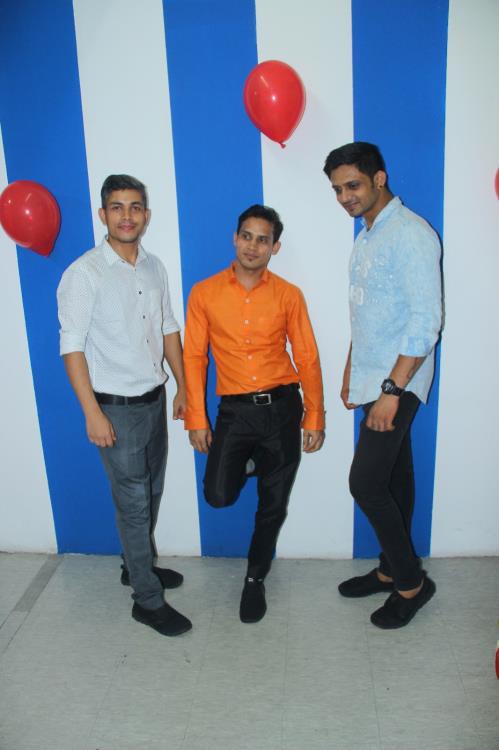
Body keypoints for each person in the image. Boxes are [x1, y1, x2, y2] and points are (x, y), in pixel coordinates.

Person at [57, 174, 191, 637]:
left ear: (146, 215)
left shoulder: (154, 267)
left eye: (135, 207)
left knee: (150, 493)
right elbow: (72, 347)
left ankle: (135, 566)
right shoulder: (84, 274)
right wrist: (92, 412)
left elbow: (168, 327)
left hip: (154, 400)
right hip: (114, 408)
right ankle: (146, 600)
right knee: (134, 503)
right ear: (103, 214)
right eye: (117, 207)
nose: (127, 216)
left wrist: (183, 386)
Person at [183, 204, 325, 623]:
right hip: (235, 412)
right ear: (235, 238)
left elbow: (307, 356)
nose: (253, 246)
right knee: (218, 494)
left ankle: (254, 578)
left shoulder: (288, 295)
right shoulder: (204, 293)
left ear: (274, 247)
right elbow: (194, 358)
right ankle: (252, 463)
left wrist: (314, 415)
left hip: (282, 408)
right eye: (247, 236)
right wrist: (196, 418)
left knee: (273, 505)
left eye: (263, 240)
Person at [323, 142, 442, 629]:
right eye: (337, 190)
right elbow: (367, 312)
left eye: (352, 185)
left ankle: (411, 583)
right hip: (374, 375)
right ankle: (391, 569)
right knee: (394, 477)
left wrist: (391, 392)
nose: (345, 197)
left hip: (399, 380)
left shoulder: (411, 234)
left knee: (366, 483)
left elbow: (426, 322)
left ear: (379, 178)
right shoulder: (368, 234)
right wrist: (352, 370)